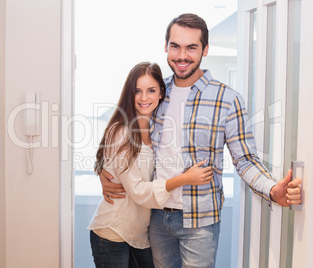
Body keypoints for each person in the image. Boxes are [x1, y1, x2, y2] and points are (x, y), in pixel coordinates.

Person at [100, 14, 302, 268]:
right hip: (156, 219)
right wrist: (104, 173)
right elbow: (121, 133)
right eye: (175, 46)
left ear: (205, 49)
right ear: (166, 47)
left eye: (191, 47)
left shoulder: (227, 99)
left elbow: (245, 159)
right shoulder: (155, 93)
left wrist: (272, 190)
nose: (182, 55)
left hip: (201, 222)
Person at [88, 62, 215, 268]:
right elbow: (138, 190)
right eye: (137, 91)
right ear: (129, 93)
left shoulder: (156, 126)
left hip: (140, 233)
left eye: (151, 90)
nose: (144, 97)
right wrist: (185, 179)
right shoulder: (121, 132)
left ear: (161, 93)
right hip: (113, 231)